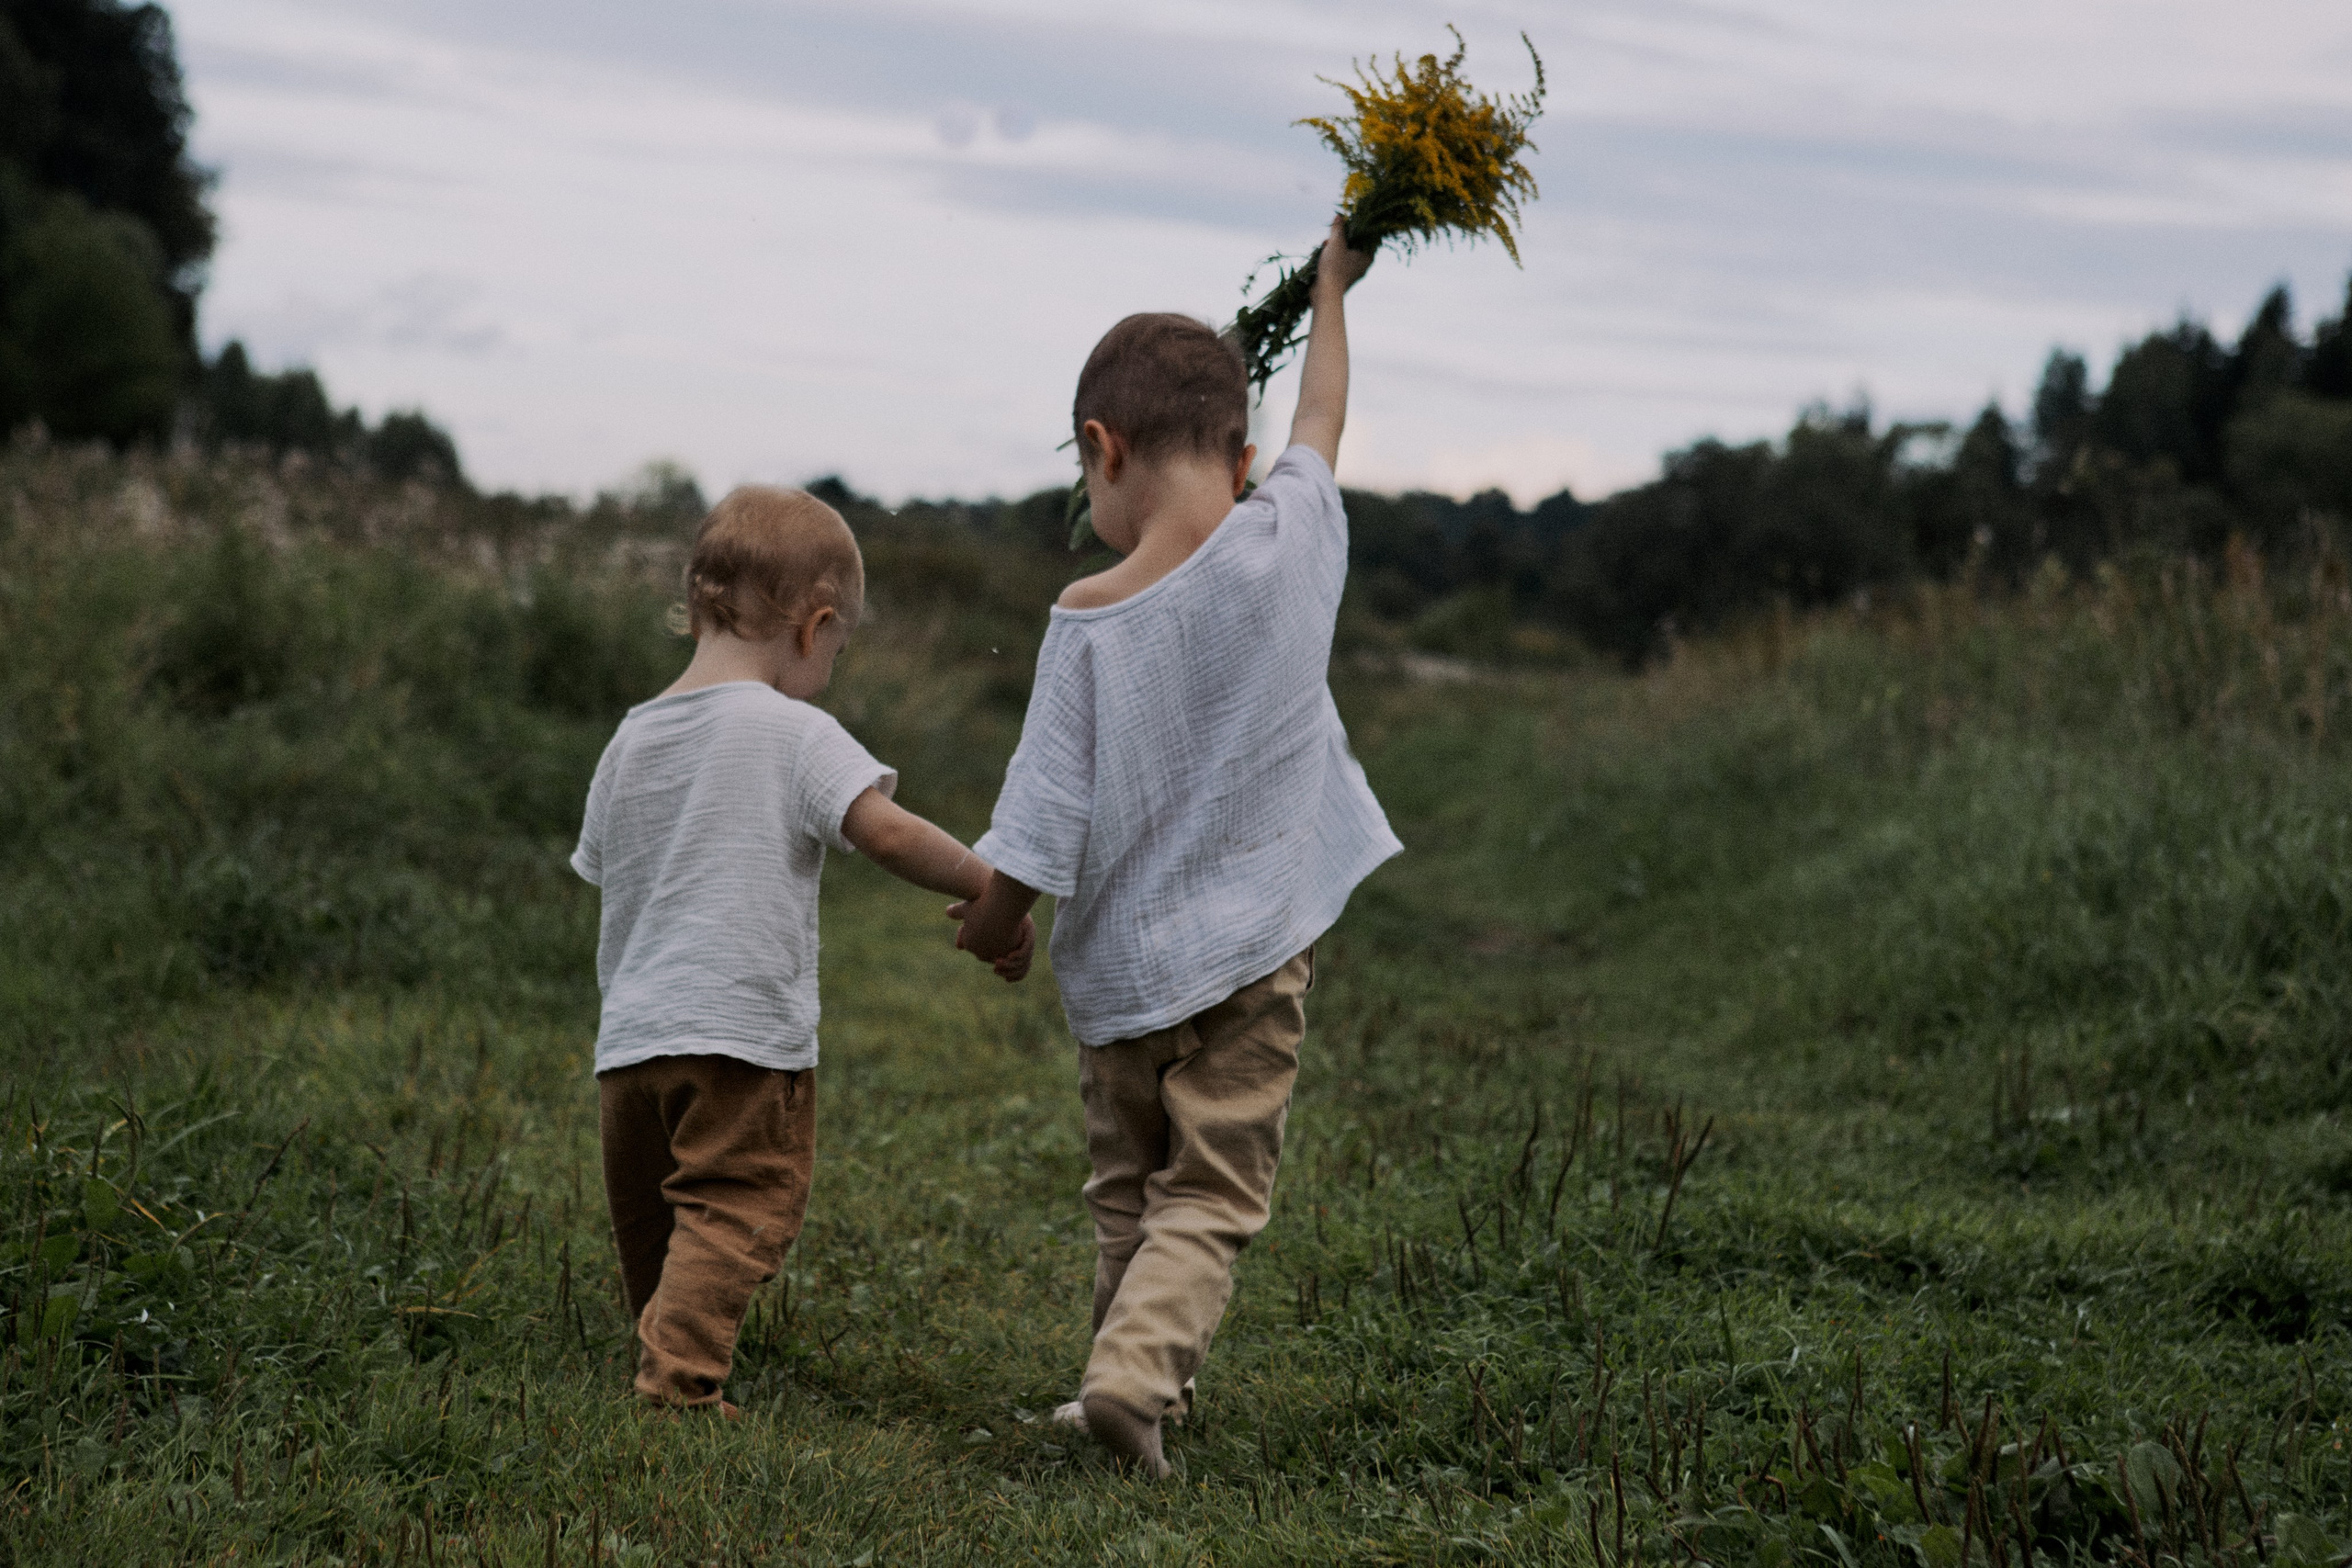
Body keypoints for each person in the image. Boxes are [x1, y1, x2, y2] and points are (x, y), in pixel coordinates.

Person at [951, 217, 1399, 1475]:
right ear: (1243, 457)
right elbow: (1326, 415)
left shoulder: (1085, 620)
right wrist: (1332, 287)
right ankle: (1136, 1384)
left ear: (1104, 448)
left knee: (1130, 1193)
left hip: (1124, 985)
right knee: (1208, 1192)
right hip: (1254, 961)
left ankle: (1126, 1378)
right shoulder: (1294, 536)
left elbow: (1038, 817)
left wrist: (993, 923)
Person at [571, 485, 1034, 1412]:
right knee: (736, 1205)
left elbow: (605, 866)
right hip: (739, 1035)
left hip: (629, 1041)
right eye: (841, 644)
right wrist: (991, 885)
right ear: (814, 627)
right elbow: (890, 834)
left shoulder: (629, 739)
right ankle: (677, 1383)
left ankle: (662, 1338)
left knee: (655, 1216)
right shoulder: (793, 732)